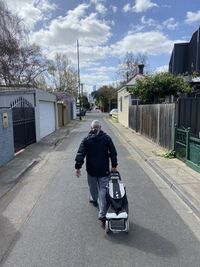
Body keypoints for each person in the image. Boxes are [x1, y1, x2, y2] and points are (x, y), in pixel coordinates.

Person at [75, 120, 118, 224]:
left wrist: (78, 167)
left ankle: (94, 199)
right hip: (104, 170)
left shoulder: (86, 140)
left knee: (93, 187)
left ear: (91, 128)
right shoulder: (107, 138)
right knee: (103, 190)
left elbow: (81, 153)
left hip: (91, 170)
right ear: (100, 127)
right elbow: (113, 152)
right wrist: (114, 165)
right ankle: (102, 213)